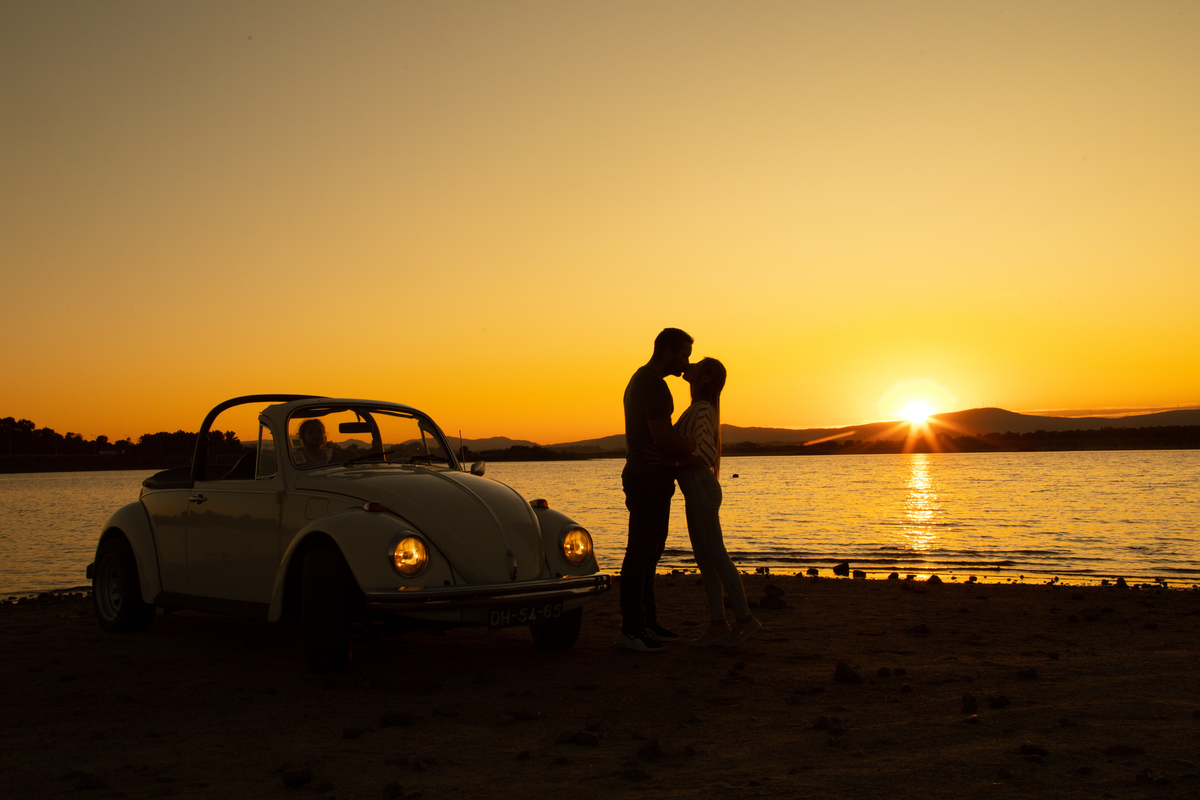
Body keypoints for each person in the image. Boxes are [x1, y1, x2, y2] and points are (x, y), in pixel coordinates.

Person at [616, 327, 697, 652]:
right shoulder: (654, 384)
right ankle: (631, 630)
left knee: (650, 553)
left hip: (649, 476)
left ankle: (647, 623)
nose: (685, 363)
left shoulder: (640, 380)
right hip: (647, 476)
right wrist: (693, 447)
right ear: (668, 352)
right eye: (684, 355)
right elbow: (661, 437)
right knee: (640, 553)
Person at [674, 357, 761, 647]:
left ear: (707, 378)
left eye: (698, 364)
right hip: (697, 488)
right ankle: (717, 624)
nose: (691, 364)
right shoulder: (702, 408)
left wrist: (668, 463)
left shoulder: (701, 409)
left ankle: (745, 619)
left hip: (700, 486)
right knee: (706, 559)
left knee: (715, 555)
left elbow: (705, 453)